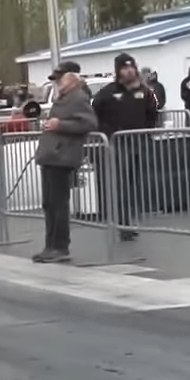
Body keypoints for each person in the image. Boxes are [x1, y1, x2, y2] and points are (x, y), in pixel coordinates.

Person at [32, 61, 96, 263]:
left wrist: (60, 124)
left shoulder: (78, 97)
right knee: (49, 203)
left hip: (63, 157)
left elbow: (89, 122)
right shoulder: (65, 98)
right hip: (52, 156)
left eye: (59, 78)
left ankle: (59, 246)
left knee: (58, 204)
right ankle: (50, 246)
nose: (56, 82)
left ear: (72, 78)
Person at [92, 53, 159, 241]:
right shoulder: (107, 92)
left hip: (138, 143)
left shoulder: (144, 91)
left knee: (133, 184)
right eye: (125, 68)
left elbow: (152, 112)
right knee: (120, 184)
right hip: (118, 144)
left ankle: (129, 218)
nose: (129, 71)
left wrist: (148, 132)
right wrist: (105, 133)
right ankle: (123, 224)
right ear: (118, 71)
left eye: (132, 67)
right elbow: (95, 112)